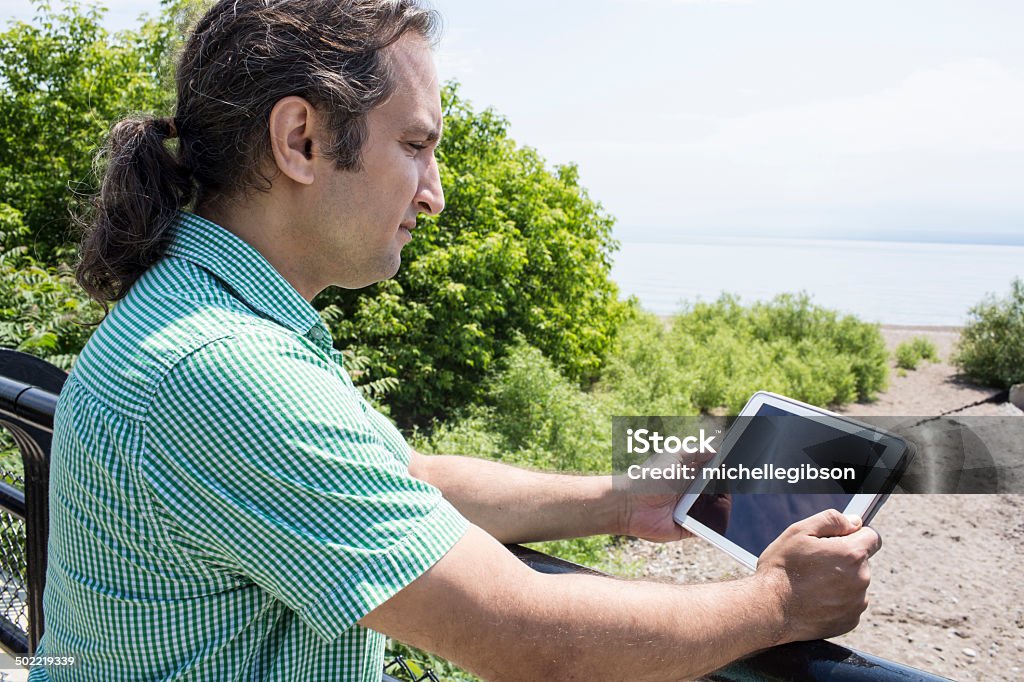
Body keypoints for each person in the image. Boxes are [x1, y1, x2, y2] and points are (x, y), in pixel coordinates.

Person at [31, 1, 881, 680]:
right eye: (416, 145)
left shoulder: (201, 311)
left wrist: (625, 500)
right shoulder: (220, 369)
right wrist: (778, 603)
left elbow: (397, 484)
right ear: (302, 140)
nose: (434, 195)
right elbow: (528, 640)